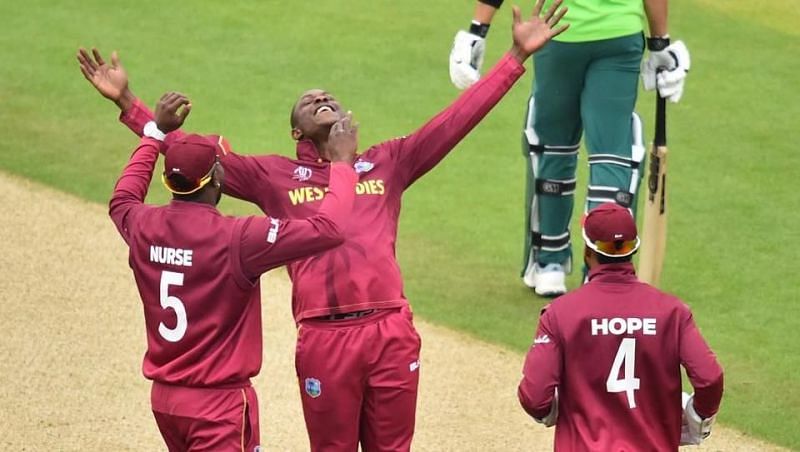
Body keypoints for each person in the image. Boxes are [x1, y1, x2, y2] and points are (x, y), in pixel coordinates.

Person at [79, 3, 568, 450]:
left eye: (327, 95)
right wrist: (130, 104)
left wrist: (513, 57)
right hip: (323, 338)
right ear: (296, 132)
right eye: (308, 100)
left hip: (389, 330)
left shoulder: (388, 162)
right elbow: (193, 157)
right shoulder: (272, 176)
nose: (320, 96)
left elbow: (454, 121)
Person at [107, 91, 358, 451]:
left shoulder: (140, 224)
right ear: (216, 179)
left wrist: (153, 133)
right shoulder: (239, 237)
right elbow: (329, 230)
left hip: (165, 400)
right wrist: (343, 164)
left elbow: (123, 197)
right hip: (218, 406)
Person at [449, 0, 691, 296]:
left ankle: (549, 262)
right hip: (620, 33)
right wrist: (659, 43)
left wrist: (477, 29)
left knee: (552, 145)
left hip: (558, 32)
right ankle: (605, 268)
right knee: (612, 153)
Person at [517, 203, 723, 450]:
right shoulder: (673, 312)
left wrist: (556, 409)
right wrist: (696, 419)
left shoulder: (560, 314)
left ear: (587, 252)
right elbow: (710, 378)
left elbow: (535, 397)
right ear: (632, 249)